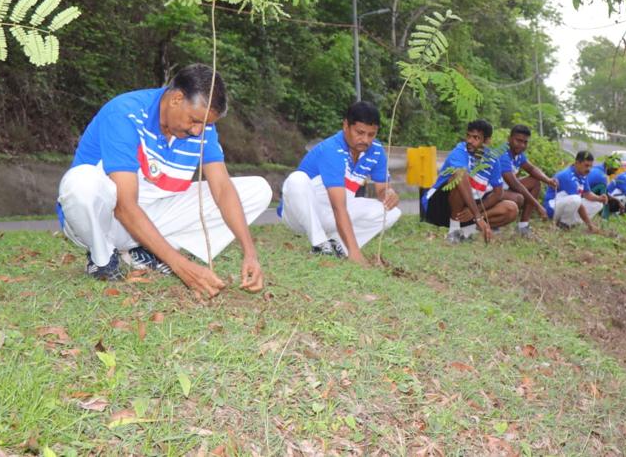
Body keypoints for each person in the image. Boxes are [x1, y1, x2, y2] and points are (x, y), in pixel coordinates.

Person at [56, 64, 271, 297]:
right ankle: (102, 258)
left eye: (206, 125)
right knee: (81, 183)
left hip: (148, 218)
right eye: (195, 120)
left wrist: (250, 253)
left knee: (257, 190)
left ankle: (146, 251)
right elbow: (124, 205)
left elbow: (222, 189)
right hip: (103, 220)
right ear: (176, 99)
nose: (199, 131)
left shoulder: (202, 129)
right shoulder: (125, 113)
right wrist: (182, 267)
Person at [279, 101, 400, 266]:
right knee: (297, 180)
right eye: (360, 132)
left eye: (371, 134)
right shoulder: (332, 149)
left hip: (331, 214)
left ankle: (337, 246)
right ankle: (320, 244)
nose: (365, 139)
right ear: (346, 126)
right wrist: (355, 250)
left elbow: (381, 189)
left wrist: (388, 194)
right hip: (299, 215)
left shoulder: (376, 151)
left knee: (392, 212)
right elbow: (339, 207)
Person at [423, 119, 518, 243]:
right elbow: (460, 176)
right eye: (468, 136)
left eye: (476, 138)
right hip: (438, 206)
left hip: (469, 208)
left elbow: (498, 192)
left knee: (511, 209)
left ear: (487, 141)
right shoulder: (460, 150)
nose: (469, 141)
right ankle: (454, 231)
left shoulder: (492, 160)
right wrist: (478, 216)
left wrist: (476, 210)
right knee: (460, 174)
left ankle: (467, 231)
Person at [498, 124, 558, 237]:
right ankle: (492, 224)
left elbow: (531, 168)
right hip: (488, 192)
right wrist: (538, 206)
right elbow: (515, 184)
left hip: (504, 189)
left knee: (535, 182)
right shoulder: (502, 154)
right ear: (509, 138)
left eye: (525, 142)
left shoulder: (518, 154)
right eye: (518, 140)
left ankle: (523, 226)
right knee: (518, 198)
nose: (522, 145)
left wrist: (548, 180)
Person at [543, 151, 607, 231]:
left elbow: (587, 193)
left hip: (567, 204)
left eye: (591, 166)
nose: (589, 169)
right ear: (577, 163)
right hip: (553, 208)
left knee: (598, 204)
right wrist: (590, 224)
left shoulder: (582, 174)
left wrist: (599, 198)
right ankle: (564, 224)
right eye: (586, 166)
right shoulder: (567, 175)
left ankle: (573, 223)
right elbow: (579, 203)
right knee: (576, 199)